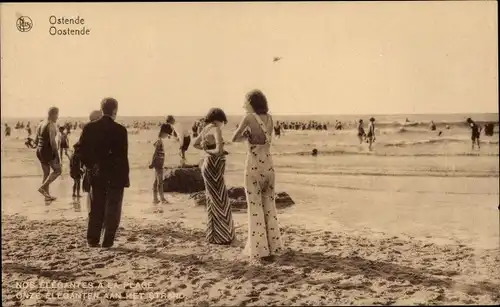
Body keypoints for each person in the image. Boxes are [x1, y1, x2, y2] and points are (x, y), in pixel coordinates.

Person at [232, 90, 283, 262]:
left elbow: (234, 137)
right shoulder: (269, 118)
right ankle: (274, 246)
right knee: (269, 205)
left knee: (254, 206)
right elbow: (267, 139)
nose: (243, 105)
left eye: (245, 102)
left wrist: (246, 136)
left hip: (253, 165)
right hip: (268, 164)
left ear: (251, 103)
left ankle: (259, 249)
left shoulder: (248, 118)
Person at [79, 98, 130, 248]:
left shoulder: (89, 128)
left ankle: (92, 240)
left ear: (101, 110)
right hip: (115, 174)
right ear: (115, 110)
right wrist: (125, 178)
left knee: (96, 207)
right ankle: (107, 241)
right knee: (113, 209)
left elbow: (81, 151)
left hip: (97, 173)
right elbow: (122, 156)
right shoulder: (121, 130)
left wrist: (90, 166)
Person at [193, 108, 234, 245]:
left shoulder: (205, 129)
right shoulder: (216, 128)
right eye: (223, 121)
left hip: (207, 164)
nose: (223, 124)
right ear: (219, 119)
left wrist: (206, 150)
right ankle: (224, 236)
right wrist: (212, 151)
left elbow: (195, 144)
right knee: (221, 200)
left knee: (212, 199)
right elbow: (219, 150)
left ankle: (213, 236)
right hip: (215, 166)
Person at [36, 107, 62, 201]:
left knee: (46, 173)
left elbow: (36, 140)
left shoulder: (41, 123)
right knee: (58, 171)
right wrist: (56, 154)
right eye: (57, 115)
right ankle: (43, 187)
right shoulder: (51, 125)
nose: (57, 117)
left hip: (39, 149)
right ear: (53, 114)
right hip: (47, 150)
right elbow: (52, 141)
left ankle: (47, 196)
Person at [149, 124, 170, 204]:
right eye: (167, 134)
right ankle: (162, 198)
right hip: (158, 163)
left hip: (158, 163)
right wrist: (152, 163)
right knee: (160, 182)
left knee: (156, 181)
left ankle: (155, 198)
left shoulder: (158, 140)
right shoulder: (159, 141)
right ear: (163, 133)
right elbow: (155, 153)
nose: (167, 136)